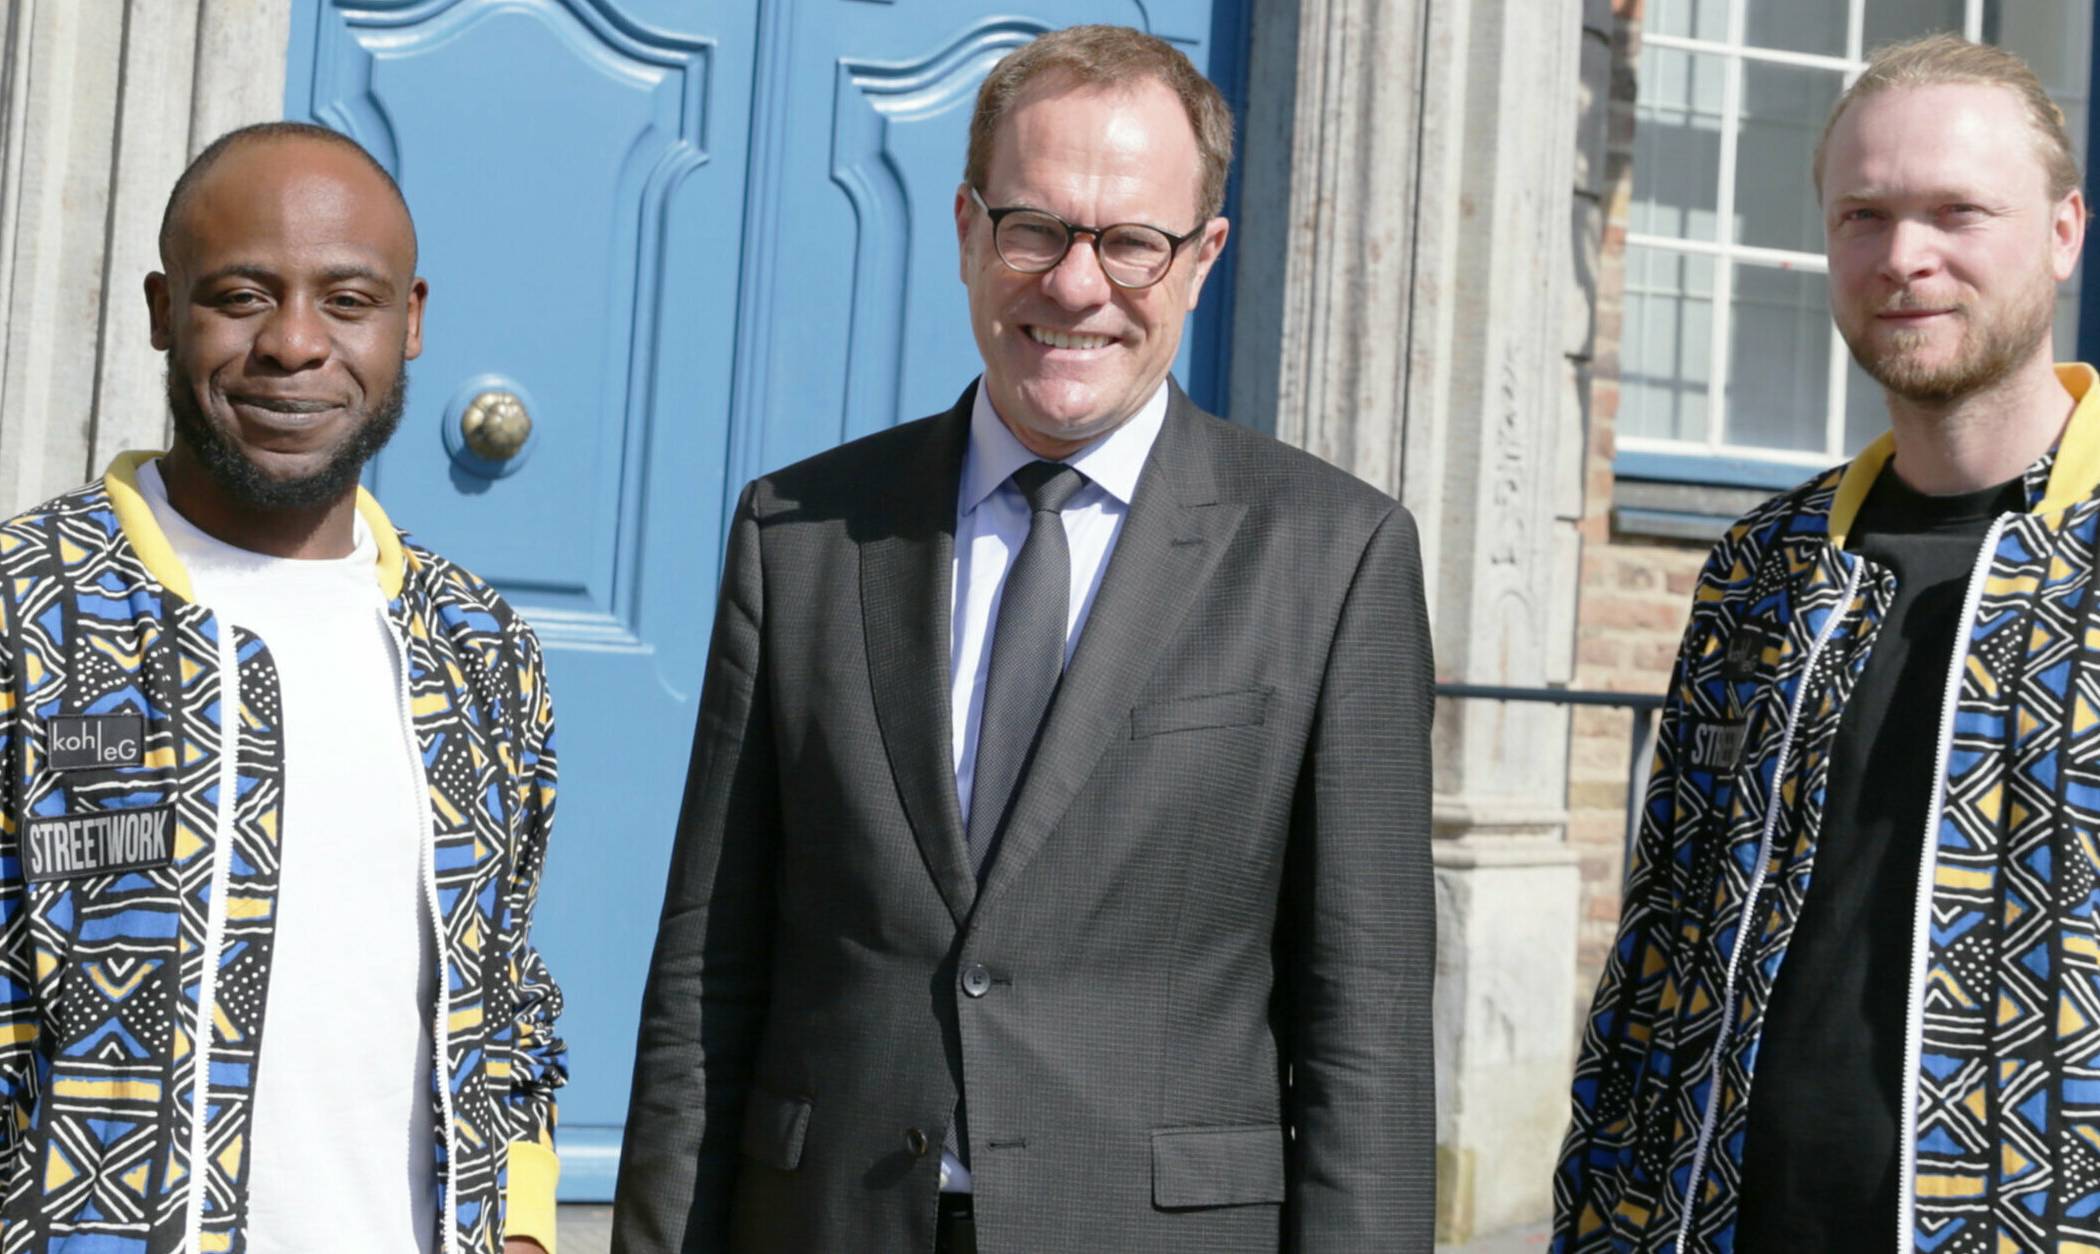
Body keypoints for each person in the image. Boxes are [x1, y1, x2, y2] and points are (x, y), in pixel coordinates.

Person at [611, 23, 1435, 1254]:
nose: (1075, 284)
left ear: (1204, 260)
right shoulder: (801, 534)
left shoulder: (1331, 555)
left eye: (1132, 242)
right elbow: (708, 971)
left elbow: (1363, 1016)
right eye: (1035, 227)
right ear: (964, 231)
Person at [1554, 33, 2100, 1254]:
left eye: (1957, 211)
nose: (1904, 258)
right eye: (1863, 214)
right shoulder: (1766, 567)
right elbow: (1661, 970)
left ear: (2064, 231)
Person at [0, 122, 566, 1252]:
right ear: (164, 312)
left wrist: (527, 1226)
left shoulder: (478, 649)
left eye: (347, 301)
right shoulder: (28, 614)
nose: (294, 345)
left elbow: (507, 991)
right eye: (244, 296)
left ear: (410, 322)